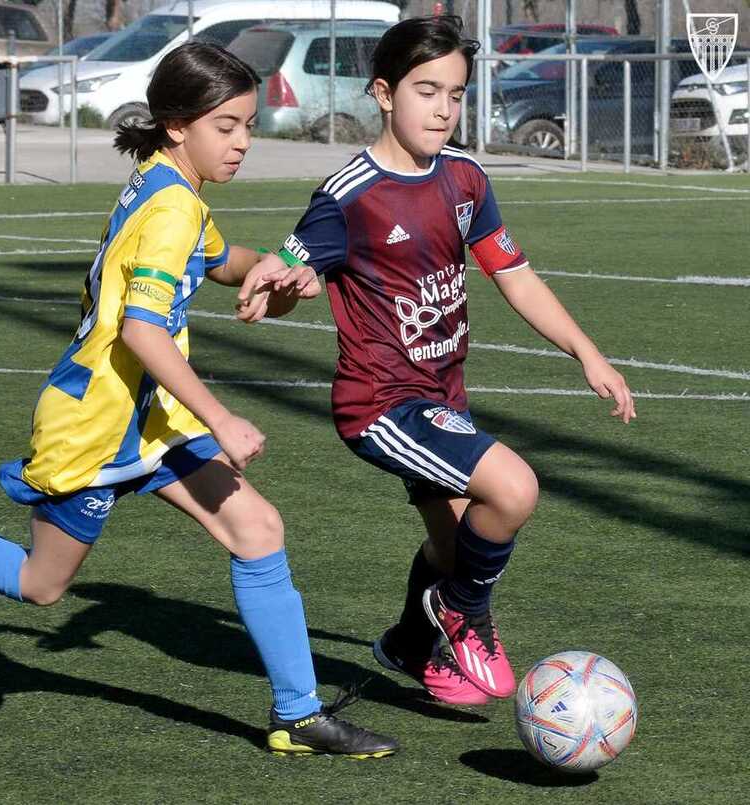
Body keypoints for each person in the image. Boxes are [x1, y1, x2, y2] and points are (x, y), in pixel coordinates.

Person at [0, 42, 399, 759]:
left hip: (152, 418)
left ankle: (299, 713)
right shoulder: (170, 205)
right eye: (226, 126)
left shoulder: (171, 184)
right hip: (98, 421)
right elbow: (141, 331)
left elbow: (214, 256)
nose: (242, 142)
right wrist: (223, 416)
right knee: (40, 585)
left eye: (248, 125)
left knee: (257, 528)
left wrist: (272, 267)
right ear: (178, 125)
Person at [237, 16, 636, 706]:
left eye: (456, 94)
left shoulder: (465, 178)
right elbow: (285, 279)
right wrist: (279, 287)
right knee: (512, 489)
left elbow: (514, 275)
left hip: (442, 397)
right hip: (381, 403)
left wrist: (588, 353)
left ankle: (407, 642)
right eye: (428, 91)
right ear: (385, 93)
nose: (445, 109)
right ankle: (463, 613)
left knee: (455, 548)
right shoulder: (347, 196)